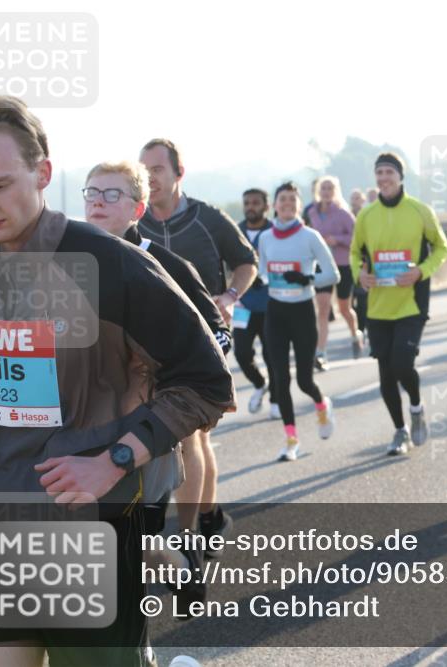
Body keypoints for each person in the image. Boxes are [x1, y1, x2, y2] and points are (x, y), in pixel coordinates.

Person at [0, 95, 234, 667]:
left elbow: (206, 382)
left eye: (0, 185)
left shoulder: (112, 266)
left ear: (43, 173)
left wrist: (116, 459)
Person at [82, 160, 233, 610]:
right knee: (111, 534)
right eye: (92, 193)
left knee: (134, 531)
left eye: (112, 194)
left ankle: (183, 548)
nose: (98, 202)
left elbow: (217, 334)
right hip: (88, 418)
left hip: (154, 418)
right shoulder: (67, 262)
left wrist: (176, 382)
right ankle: (173, 565)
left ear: (138, 208)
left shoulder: (166, 265)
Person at [138, 138, 257, 555]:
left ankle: (187, 536)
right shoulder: (136, 221)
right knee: (187, 439)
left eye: (157, 169)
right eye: (144, 170)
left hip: (205, 338)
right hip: (149, 346)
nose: (150, 177)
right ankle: (209, 517)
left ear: (178, 173)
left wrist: (230, 297)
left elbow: (247, 262)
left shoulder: (207, 218)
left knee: (188, 437)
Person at [350, 152, 447, 455]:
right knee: (385, 372)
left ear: (400, 176)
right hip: (378, 305)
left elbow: (441, 248)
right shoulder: (366, 215)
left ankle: (417, 408)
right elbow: (355, 253)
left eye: (389, 172)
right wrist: (359, 275)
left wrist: (420, 271)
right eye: (379, 172)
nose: (384, 178)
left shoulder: (420, 211)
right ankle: (400, 430)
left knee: (402, 364)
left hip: (411, 303)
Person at [259, 182, 339, 461]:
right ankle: (291, 440)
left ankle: (321, 404)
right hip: (275, 313)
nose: (287, 204)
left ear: (299, 205)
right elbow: (263, 272)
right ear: (274, 205)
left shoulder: (310, 236)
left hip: (302, 312)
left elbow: (333, 274)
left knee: (305, 381)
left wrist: (307, 279)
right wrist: (262, 280)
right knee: (280, 379)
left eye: (292, 200)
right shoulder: (265, 238)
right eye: (282, 199)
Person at [308, 176, 364, 368]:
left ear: (335, 191)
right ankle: (321, 353)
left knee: (344, 309)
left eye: (330, 188)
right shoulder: (311, 213)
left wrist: (337, 239)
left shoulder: (343, 213)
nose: (326, 191)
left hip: (342, 264)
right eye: (323, 188)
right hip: (321, 265)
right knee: (323, 308)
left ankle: (355, 334)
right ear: (318, 191)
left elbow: (356, 238)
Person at [235, 188, 275, 415]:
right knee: (241, 353)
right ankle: (260, 384)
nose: (251, 207)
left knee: (272, 354)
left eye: (255, 203)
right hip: (243, 305)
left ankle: (277, 400)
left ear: (266, 206)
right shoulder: (235, 231)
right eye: (247, 203)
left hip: (271, 305)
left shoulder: (275, 231)